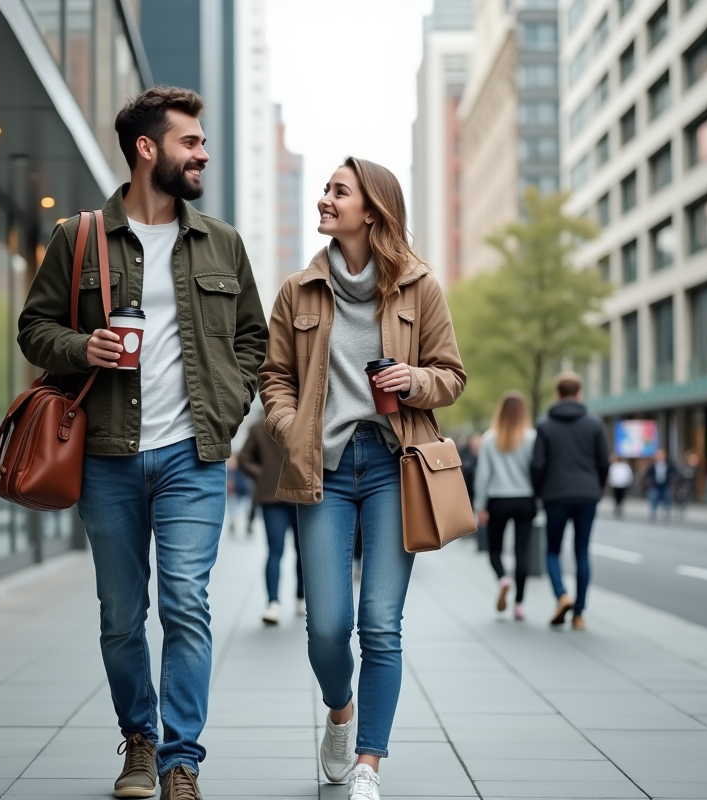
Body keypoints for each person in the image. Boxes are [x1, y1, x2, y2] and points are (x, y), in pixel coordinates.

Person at [18, 86, 268, 800]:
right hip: (106, 456)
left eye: (203, 141)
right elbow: (34, 329)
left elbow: (254, 337)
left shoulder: (221, 241)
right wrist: (81, 346)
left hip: (193, 455)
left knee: (186, 601)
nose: (204, 153)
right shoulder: (79, 236)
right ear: (147, 149)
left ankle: (181, 760)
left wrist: (227, 409)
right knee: (123, 611)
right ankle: (138, 737)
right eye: (190, 142)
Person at [260, 156, 465, 799]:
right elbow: (274, 378)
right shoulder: (299, 290)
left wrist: (415, 381)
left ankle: (369, 764)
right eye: (325, 189)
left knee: (380, 621)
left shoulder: (420, 287)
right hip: (323, 467)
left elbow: (452, 375)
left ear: (371, 211)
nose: (325, 199)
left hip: (392, 468)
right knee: (326, 623)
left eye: (337, 191)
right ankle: (340, 710)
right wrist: (292, 427)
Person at [530, 372, 609, 631]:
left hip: (555, 494)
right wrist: (597, 488)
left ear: (558, 394)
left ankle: (562, 595)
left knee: (552, 550)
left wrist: (540, 491)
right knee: (582, 552)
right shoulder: (594, 424)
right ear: (579, 393)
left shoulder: (545, 425)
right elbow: (603, 462)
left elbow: (537, 464)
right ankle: (579, 614)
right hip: (587, 494)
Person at [472, 391, 536, 621]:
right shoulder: (532, 437)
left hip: (497, 500)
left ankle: (503, 579)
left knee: (495, 550)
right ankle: (519, 604)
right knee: (522, 552)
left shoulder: (490, 438)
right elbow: (536, 471)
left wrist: (480, 505)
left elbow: (483, 475)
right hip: (525, 499)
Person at [237, 419, 305, 624]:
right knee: (298, 551)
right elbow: (243, 459)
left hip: (274, 496)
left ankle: (274, 603)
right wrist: (263, 475)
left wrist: (261, 475)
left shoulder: (259, 427)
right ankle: (298, 599)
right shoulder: (302, 421)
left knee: (276, 551)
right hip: (295, 495)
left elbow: (243, 459)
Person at [639, 449, 677, 521]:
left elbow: (675, 472)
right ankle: (653, 511)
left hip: (665, 484)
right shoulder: (652, 466)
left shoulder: (669, 465)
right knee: (654, 498)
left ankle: (666, 511)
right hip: (654, 485)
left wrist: (672, 478)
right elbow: (647, 475)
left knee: (667, 498)